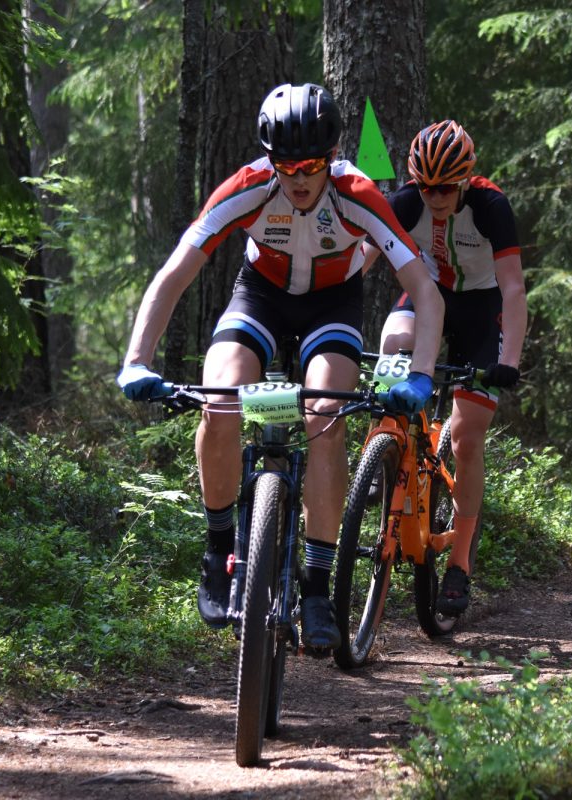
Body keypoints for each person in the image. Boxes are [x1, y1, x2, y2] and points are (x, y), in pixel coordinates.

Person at [117, 83, 443, 650]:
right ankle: (219, 548)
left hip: (331, 305)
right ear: (269, 159)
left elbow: (425, 290)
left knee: (326, 414)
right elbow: (173, 275)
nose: (297, 177)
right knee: (219, 400)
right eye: (285, 164)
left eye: (311, 165)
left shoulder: (358, 193)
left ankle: (316, 586)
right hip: (260, 297)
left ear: (331, 157)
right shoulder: (248, 186)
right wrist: (136, 360)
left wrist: (420, 374)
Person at [369, 120, 526, 616]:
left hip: (482, 310)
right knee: (394, 343)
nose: (434, 197)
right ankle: (386, 447)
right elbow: (359, 262)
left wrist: (508, 361)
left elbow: (513, 288)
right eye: (425, 187)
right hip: (429, 297)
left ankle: (459, 563)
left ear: (464, 181)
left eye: (444, 188)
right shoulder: (405, 202)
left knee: (466, 439)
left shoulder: (491, 207)